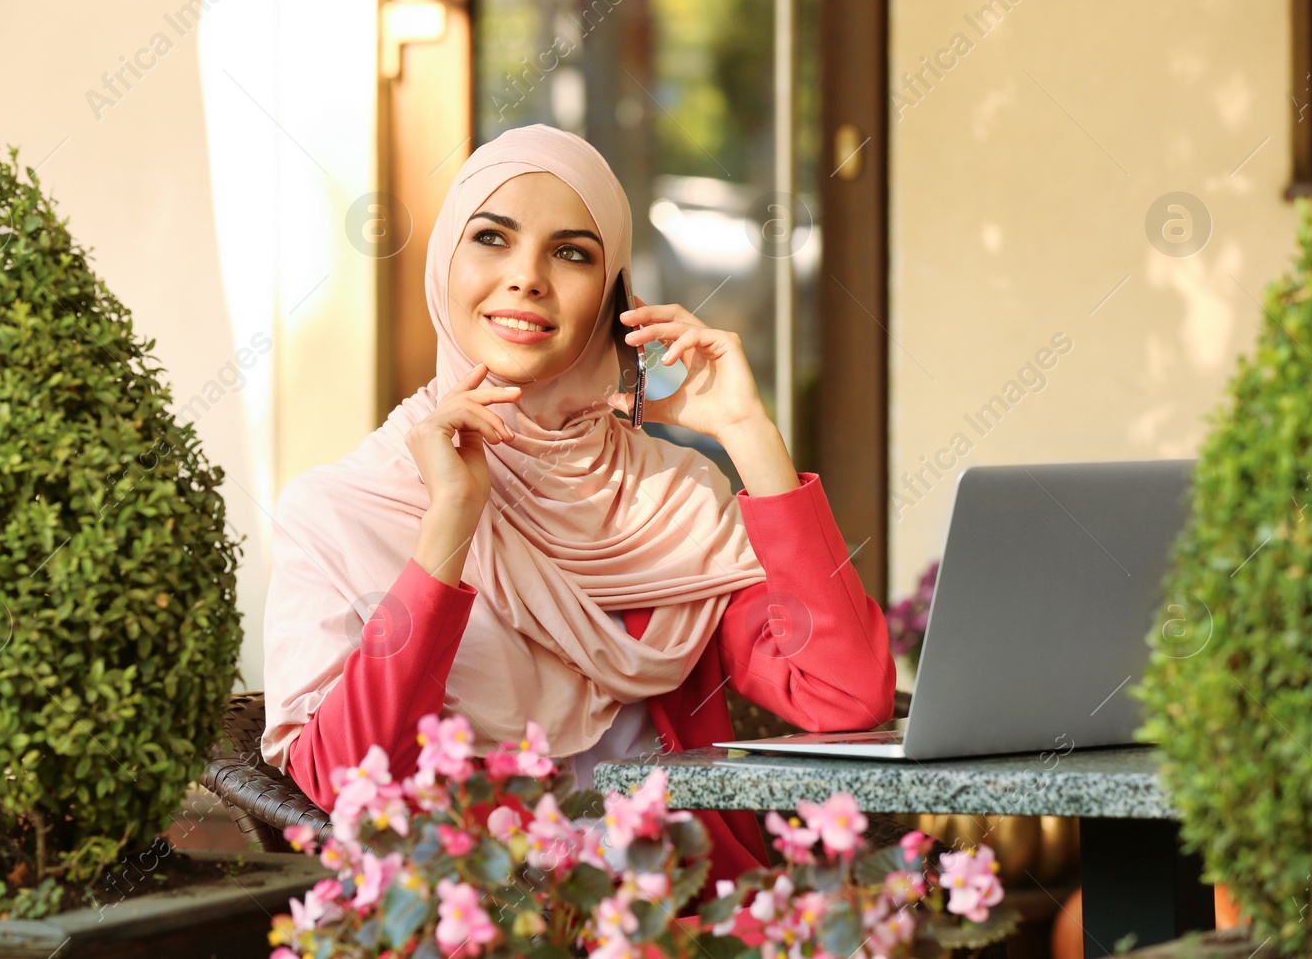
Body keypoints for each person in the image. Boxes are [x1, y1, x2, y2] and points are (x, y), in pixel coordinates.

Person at [261, 123, 895, 887]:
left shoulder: (671, 499)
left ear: (612, 296)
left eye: (572, 252)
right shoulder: (336, 511)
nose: (527, 277)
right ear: (443, 267)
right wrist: (449, 530)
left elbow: (844, 695)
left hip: (679, 919)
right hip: (479, 927)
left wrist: (748, 435)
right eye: (492, 238)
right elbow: (344, 780)